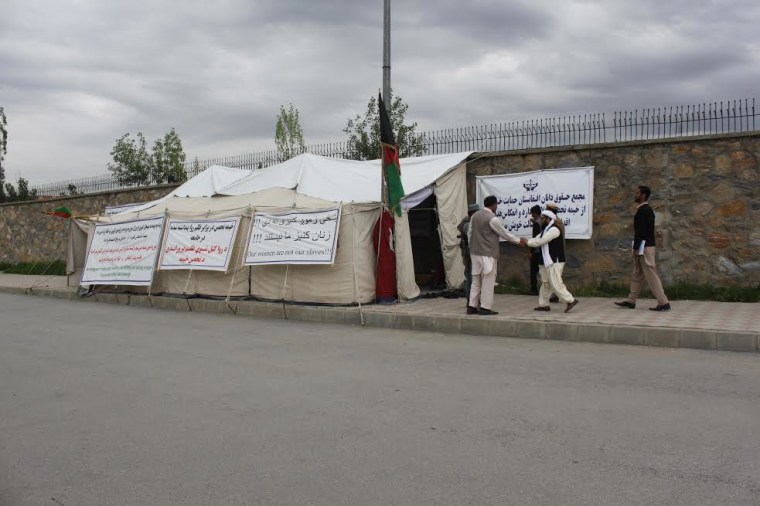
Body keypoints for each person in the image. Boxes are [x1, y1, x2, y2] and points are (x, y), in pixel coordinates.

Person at [615, 185, 671, 311]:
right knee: (637, 273)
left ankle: (663, 302)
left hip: (644, 247)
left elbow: (641, 232)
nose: (635, 195)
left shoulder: (644, 210)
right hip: (644, 245)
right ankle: (631, 300)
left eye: (637, 193)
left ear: (643, 195)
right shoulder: (645, 210)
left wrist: (636, 248)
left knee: (651, 275)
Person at [467, 195, 521, 315]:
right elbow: (504, 233)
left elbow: (469, 234)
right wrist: (518, 241)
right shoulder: (492, 219)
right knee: (488, 280)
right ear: (494, 205)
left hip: (475, 253)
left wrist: (472, 248)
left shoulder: (475, 216)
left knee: (476, 280)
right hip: (488, 254)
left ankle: (472, 306)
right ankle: (485, 308)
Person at [521, 210, 579, 313]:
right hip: (546, 261)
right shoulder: (545, 230)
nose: (541, 220)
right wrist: (526, 241)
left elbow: (542, 241)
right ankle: (544, 305)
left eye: (543, 218)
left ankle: (571, 300)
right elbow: (537, 238)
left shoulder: (554, 230)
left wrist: (528, 242)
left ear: (549, 219)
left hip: (554, 261)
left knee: (555, 282)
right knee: (545, 283)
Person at [458, 203, 480, 305]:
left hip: (471, 254)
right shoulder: (468, 224)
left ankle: (473, 301)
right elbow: (471, 239)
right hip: (469, 256)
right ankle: (471, 301)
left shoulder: (471, 223)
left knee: (473, 278)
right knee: (471, 279)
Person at [545, 201, 563, 303]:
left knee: (556, 276)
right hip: (553, 253)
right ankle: (554, 295)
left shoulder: (556, 223)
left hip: (556, 253)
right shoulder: (555, 221)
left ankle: (568, 299)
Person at [528, 205, 542, 295]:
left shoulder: (536, 224)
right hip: (542, 251)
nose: (532, 215)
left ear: (535, 213)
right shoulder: (543, 221)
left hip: (536, 251)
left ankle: (533, 289)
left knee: (533, 271)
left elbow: (535, 238)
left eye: (532, 213)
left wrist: (531, 252)